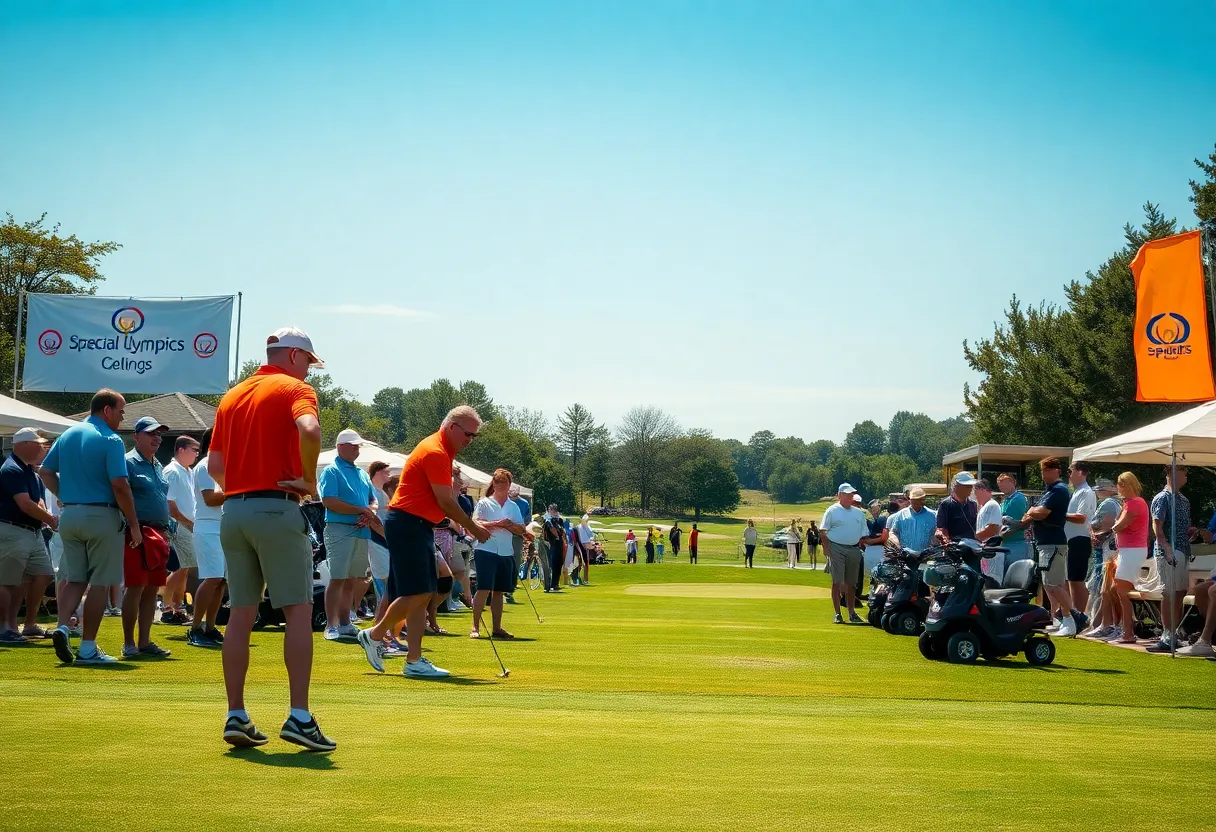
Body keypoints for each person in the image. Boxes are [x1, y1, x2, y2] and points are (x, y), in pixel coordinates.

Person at [209, 327, 333, 751]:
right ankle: (300, 716)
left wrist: (243, 485)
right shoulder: (294, 389)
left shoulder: (232, 395)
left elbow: (215, 465)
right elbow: (311, 430)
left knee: (242, 614)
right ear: (295, 355)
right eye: (308, 362)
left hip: (234, 511)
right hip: (277, 507)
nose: (309, 371)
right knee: (299, 610)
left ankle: (236, 714)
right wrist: (308, 479)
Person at [356, 405, 490, 681]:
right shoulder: (435, 450)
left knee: (424, 593)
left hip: (417, 525)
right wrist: (473, 527)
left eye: (474, 436)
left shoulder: (443, 451)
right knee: (416, 593)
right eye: (468, 434)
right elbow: (445, 500)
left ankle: (414, 660)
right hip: (407, 523)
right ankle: (375, 634)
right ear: (452, 427)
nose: (470, 440)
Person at [39, 389, 142, 666]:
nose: (122, 417)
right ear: (106, 410)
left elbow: (45, 472)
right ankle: (87, 648)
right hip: (101, 516)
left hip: (70, 515)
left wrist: (65, 495)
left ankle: (62, 626)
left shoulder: (68, 434)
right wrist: (134, 524)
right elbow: (120, 485)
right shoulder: (111, 440)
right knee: (100, 582)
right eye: (120, 411)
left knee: (74, 579)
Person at [119, 416, 175, 659]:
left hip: (158, 534)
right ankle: (129, 643)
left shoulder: (158, 465)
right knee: (135, 588)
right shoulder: (128, 463)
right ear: (137, 436)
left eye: (159, 434)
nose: (157, 438)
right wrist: (131, 527)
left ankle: (144, 641)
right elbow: (119, 495)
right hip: (137, 533)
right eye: (151, 433)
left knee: (152, 589)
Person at [318, 429, 378, 641]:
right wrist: (361, 511)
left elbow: (373, 500)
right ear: (340, 446)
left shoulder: (362, 473)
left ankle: (345, 623)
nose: (356, 449)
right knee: (337, 579)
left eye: (358, 446)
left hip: (361, 530)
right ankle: (331, 625)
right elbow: (329, 501)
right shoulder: (331, 471)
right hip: (339, 529)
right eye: (352, 445)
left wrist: (370, 511)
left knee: (352, 580)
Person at [0, 428, 57, 645]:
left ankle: (28, 624)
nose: (43, 447)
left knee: (43, 574)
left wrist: (45, 515)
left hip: (32, 533)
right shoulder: (11, 469)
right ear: (23, 444)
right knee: (7, 582)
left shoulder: (31, 472)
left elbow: (38, 502)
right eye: (38, 443)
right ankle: (4, 628)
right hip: (12, 530)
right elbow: (25, 504)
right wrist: (51, 520)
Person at [1014, 458, 1082, 637]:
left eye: (1046, 471)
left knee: (1053, 584)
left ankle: (1073, 618)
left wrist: (1031, 512)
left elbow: (1042, 512)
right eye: (1042, 471)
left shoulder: (1059, 490)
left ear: (1056, 470)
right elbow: (1033, 515)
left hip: (1053, 543)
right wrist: (1032, 513)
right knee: (1050, 584)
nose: (1043, 475)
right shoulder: (1049, 491)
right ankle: (1059, 619)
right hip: (1046, 543)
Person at [470, 469, 528, 639]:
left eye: (504, 482)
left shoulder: (513, 506)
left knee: (499, 591)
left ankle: (497, 627)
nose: (501, 485)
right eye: (498, 482)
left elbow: (521, 529)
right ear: (493, 484)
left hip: (505, 552)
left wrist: (509, 525)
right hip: (485, 549)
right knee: (483, 588)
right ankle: (475, 627)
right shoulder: (484, 503)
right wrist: (496, 524)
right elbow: (475, 522)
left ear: (509, 485)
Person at [1148, 465, 1192, 653]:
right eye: (1183, 474)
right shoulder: (1162, 498)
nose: (1186, 478)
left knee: (1180, 592)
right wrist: (1166, 548)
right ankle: (1166, 634)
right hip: (1168, 551)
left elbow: (1183, 526)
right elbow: (1157, 526)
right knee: (1169, 592)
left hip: (1183, 549)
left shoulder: (1183, 500)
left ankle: (1174, 632)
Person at [190, 428, 227, 647]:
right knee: (212, 578)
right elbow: (211, 499)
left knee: (221, 582)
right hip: (207, 528)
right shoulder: (205, 466)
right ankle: (195, 628)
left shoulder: (222, 467)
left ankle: (210, 628)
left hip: (221, 528)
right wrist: (238, 491)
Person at [163, 434, 201, 626]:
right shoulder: (172, 471)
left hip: (187, 525)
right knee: (179, 568)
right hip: (178, 525)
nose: (196, 454)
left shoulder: (188, 471)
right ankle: (167, 608)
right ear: (181, 450)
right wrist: (187, 522)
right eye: (194, 450)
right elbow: (169, 504)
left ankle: (177, 608)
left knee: (184, 569)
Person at [1110, 471, 1150, 645]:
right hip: (1128, 550)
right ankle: (1125, 629)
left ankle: (1128, 632)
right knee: (1118, 590)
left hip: (1133, 551)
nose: (1119, 488)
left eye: (1121, 485)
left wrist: (1114, 526)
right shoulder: (1131, 504)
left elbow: (1119, 525)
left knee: (1122, 591)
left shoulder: (1135, 504)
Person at [820, 483, 868, 624]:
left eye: (851, 494)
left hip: (853, 549)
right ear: (839, 495)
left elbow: (863, 534)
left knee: (852, 583)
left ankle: (852, 613)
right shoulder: (832, 510)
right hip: (836, 548)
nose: (850, 496)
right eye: (847, 494)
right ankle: (838, 613)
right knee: (837, 582)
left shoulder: (859, 513)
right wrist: (826, 548)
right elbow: (823, 531)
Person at [1082, 478, 1122, 640]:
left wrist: (1093, 527)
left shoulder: (1108, 504)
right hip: (1108, 550)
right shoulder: (1115, 503)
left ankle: (1096, 624)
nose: (1097, 493)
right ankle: (1096, 623)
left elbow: (1106, 523)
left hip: (1106, 551)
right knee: (1099, 588)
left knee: (1100, 588)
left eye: (1099, 490)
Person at [1064, 461, 1097, 616]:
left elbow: (1081, 517)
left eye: (1070, 471)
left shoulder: (1086, 492)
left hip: (1080, 539)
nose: (1068, 475)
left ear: (1079, 472)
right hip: (1072, 540)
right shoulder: (1077, 492)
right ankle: (1077, 615)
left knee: (1077, 581)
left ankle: (1083, 616)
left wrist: (1059, 514)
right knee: (1072, 580)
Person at [887, 487, 937, 554]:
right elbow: (893, 532)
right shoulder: (901, 514)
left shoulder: (932, 515)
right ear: (910, 500)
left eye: (920, 500)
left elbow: (937, 534)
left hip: (925, 556)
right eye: (914, 501)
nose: (918, 503)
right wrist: (896, 543)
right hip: (906, 556)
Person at [935, 472, 979, 546]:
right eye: (967, 486)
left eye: (971, 486)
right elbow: (941, 528)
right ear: (956, 487)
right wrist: (943, 537)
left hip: (972, 549)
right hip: (953, 549)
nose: (971, 488)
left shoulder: (973, 504)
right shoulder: (946, 504)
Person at [974, 479, 1004, 582]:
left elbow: (993, 529)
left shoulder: (992, 505)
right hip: (985, 554)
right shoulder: (983, 507)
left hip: (992, 553)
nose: (974, 495)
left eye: (975, 491)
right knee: (984, 585)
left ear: (982, 490)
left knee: (992, 583)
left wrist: (974, 538)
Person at [996, 473, 1029, 565]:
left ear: (1013, 483)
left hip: (1017, 544)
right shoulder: (1006, 500)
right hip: (1007, 544)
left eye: (1004, 483)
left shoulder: (1018, 499)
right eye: (999, 485)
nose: (1001, 487)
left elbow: (1013, 524)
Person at [507, 484, 531, 604]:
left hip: (517, 536)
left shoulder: (524, 503)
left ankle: (510, 590)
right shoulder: (503, 502)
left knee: (515, 563)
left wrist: (520, 530)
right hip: (503, 535)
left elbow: (526, 521)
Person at [861, 502, 889, 583]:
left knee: (880, 577)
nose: (876, 511)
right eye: (874, 508)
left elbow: (884, 538)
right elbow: (863, 540)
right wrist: (880, 539)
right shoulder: (868, 522)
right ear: (870, 509)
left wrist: (879, 539)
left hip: (881, 551)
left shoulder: (883, 520)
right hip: (871, 551)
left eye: (878, 507)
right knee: (875, 576)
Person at [542, 504, 567, 591]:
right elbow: (552, 530)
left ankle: (555, 584)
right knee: (549, 564)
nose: (553, 511)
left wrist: (562, 537)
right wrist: (557, 534)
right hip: (549, 543)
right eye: (551, 509)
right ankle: (547, 585)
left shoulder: (559, 520)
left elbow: (563, 531)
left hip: (558, 543)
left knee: (558, 563)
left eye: (554, 510)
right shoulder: (546, 520)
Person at [576, 514, 594, 584]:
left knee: (584, 563)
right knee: (583, 563)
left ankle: (584, 579)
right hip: (582, 544)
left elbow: (590, 535)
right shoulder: (581, 526)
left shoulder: (585, 526)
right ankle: (582, 579)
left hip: (585, 544)